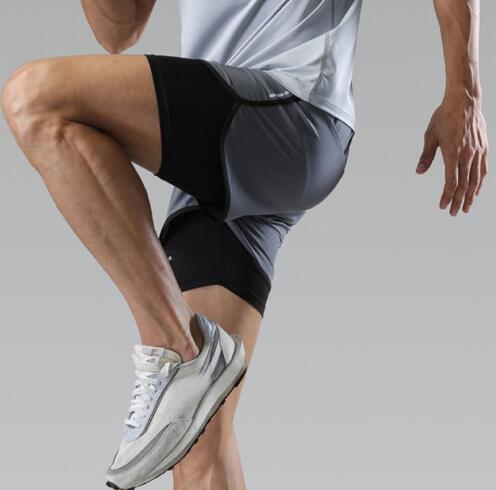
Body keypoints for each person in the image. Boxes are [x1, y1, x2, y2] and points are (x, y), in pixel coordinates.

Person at [1, 1, 488, 489]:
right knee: (198, 442)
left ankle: (179, 348)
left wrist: (464, 92)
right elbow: (117, 31)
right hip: (225, 145)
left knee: (35, 97)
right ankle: (190, 360)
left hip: (294, 109)